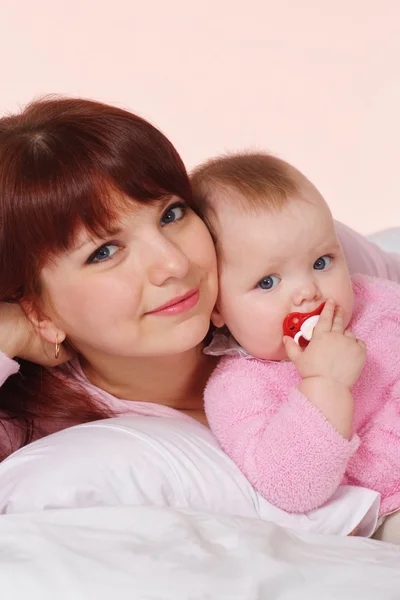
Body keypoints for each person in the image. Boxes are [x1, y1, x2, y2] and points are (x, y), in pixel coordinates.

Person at [0, 96, 399, 474]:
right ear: (37, 309)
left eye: (171, 214)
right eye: (104, 252)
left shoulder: (286, 256)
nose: (174, 263)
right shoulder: (35, 427)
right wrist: (9, 332)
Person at [189, 151, 400, 522]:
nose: (307, 292)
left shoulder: (374, 300)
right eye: (267, 282)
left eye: (321, 263)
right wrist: (325, 383)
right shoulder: (238, 389)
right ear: (217, 308)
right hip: (390, 505)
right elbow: (292, 487)